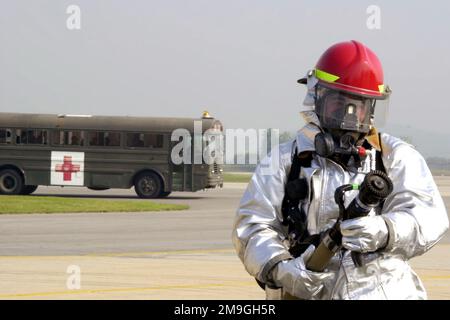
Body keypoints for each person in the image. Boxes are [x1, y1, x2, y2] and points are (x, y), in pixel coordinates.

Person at [232, 40, 449, 300]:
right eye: (338, 103)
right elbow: (253, 226)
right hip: (304, 291)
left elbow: (430, 218)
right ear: (318, 99)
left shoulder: (395, 157)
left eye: (356, 105)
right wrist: (283, 269)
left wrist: (386, 229)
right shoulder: (283, 160)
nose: (348, 115)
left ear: (370, 109)